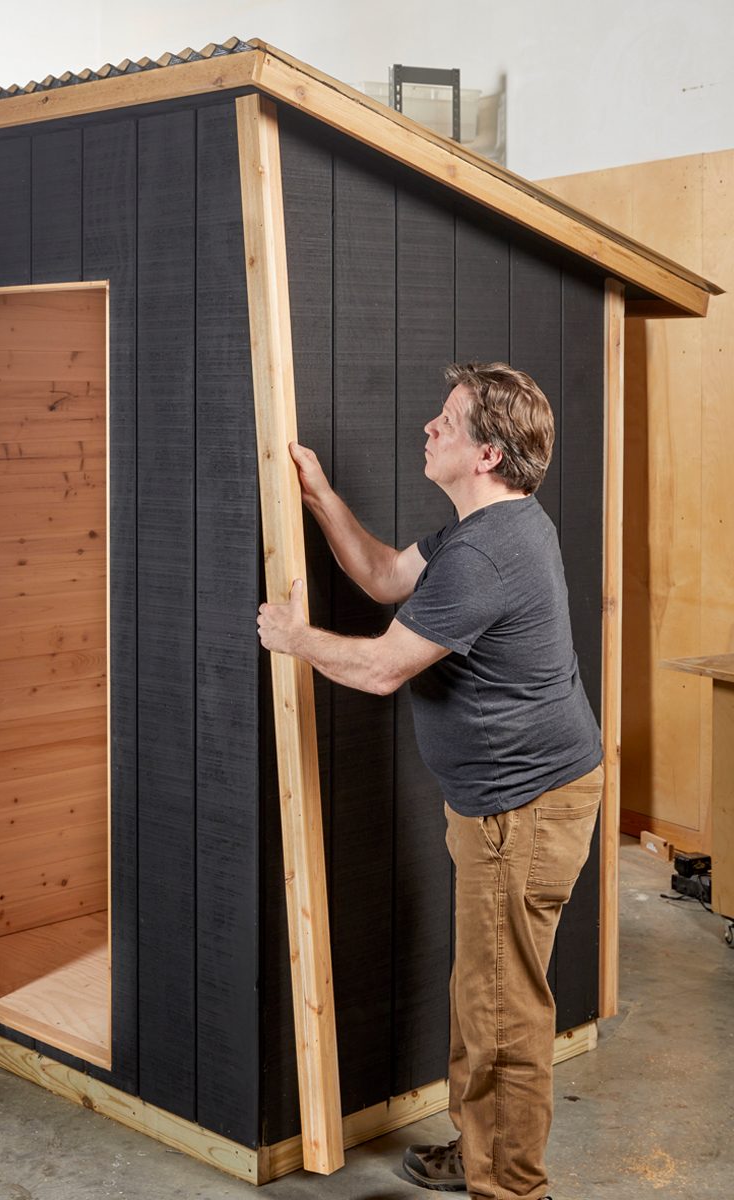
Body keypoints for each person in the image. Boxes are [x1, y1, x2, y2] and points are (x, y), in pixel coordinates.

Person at [256, 361, 604, 1200]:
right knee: (486, 990)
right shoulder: (482, 532)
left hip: (520, 811)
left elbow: (381, 669)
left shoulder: (488, 555)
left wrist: (294, 638)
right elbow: (383, 578)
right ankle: (482, 1148)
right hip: (518, 801)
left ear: (486, 454)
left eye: (447, 421)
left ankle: (510, 1187)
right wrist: (322, 498)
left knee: (502, 1011)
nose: (429, 428)